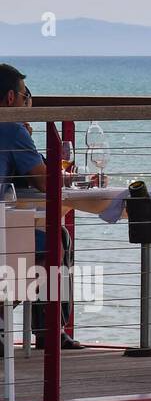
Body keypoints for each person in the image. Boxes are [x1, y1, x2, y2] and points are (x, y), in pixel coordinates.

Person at [0, 63, 82, 350]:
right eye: (26, 98)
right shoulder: (9, 127)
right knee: (55, 238)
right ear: (11, 99)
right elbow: (45, 181)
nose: (26, 104)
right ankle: (49, 331)